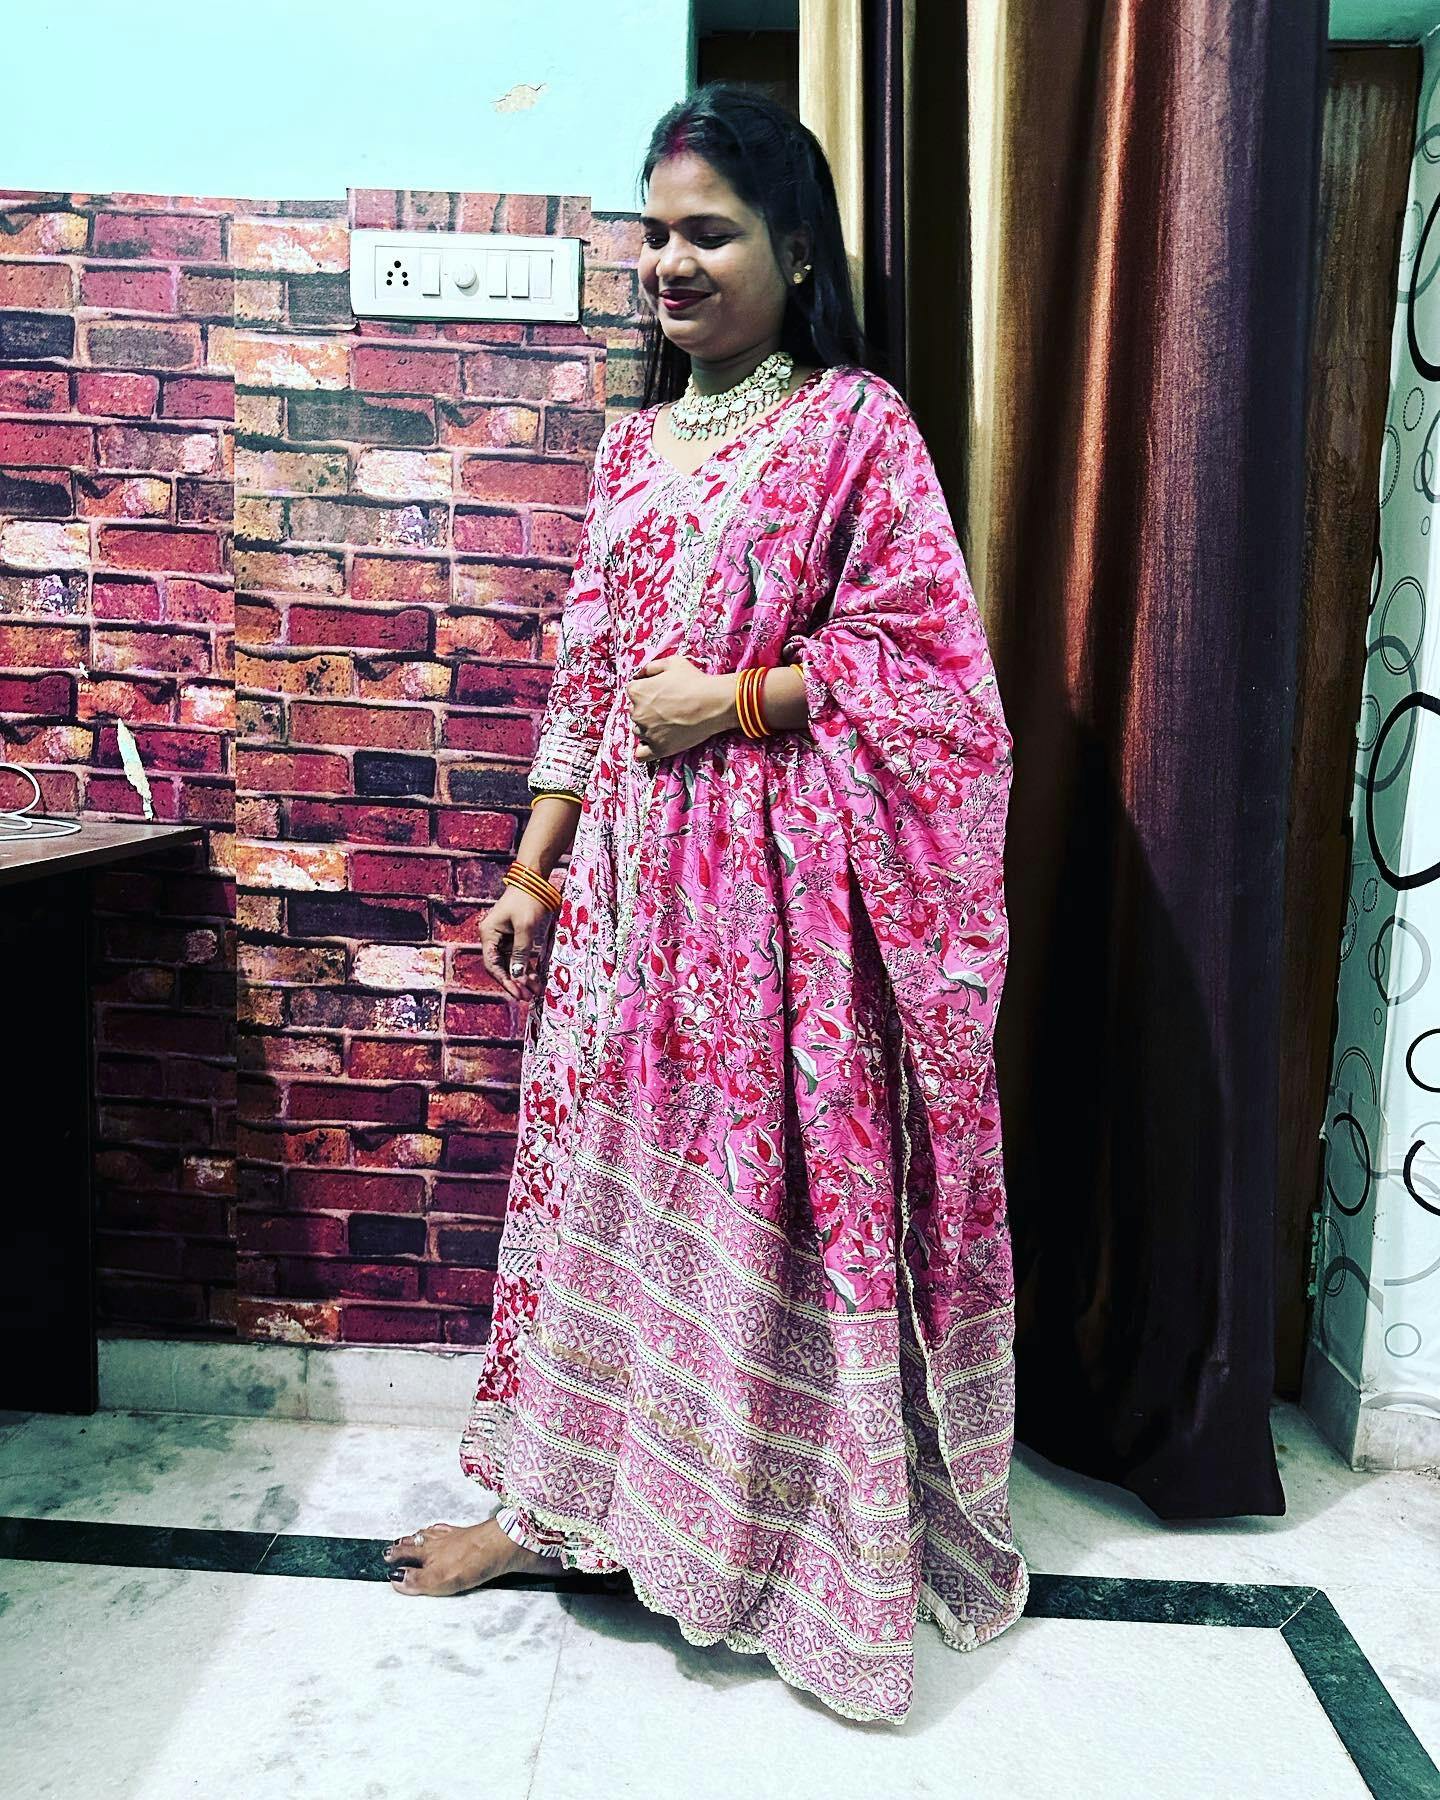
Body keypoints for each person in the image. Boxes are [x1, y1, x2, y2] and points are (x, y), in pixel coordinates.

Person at [383, 79, 1028, 1725]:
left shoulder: (856, 427)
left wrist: (736, 701)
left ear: (795, 251)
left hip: (778, 911)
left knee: (764, 1206)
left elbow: (938, 681)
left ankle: (769, 1545)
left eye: (711, 234)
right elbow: (589, 678)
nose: (671, 263)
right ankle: (556, 1513)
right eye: (654, 232)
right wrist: (534, 865)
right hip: (625, 901)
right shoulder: (630, 446)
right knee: (605, 1194)